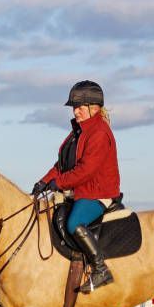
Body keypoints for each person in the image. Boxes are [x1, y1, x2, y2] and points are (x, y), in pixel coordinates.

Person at [32, 80, 120, 293]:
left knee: (74, 223)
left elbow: (86, 169)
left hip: (98, 192)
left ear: (94, 108)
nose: (75, 111)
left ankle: (101, 269)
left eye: (79, 107)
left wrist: (59, 183)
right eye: (74, 107)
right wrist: (44, 181)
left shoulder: (99, 132)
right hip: (81, 191)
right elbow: (62, 164)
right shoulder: (78, 133)